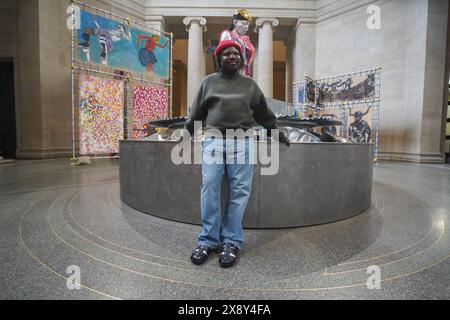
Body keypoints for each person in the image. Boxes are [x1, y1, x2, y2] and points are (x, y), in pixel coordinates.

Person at [184, 40, 290, 268]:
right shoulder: (208, 83)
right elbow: (196, 114)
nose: (231, 57)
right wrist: (185, 135)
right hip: (213, 140)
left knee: (240, 191)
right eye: (226, 54)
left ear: (241, 59)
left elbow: (264, 114)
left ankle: (231, 241)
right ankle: (208, 241)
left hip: (243, 142)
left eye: (235, 54)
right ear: (218, 60)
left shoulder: (250, 85)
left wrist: (276, 134)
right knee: (210, 186)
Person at [220, 9, 255, 77]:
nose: (246, 27)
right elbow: (222, 55)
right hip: (231, 72)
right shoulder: (227, 34)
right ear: (235, 22)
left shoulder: (246, 39)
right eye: (244, 24)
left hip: (245, 73)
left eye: (248, 25)